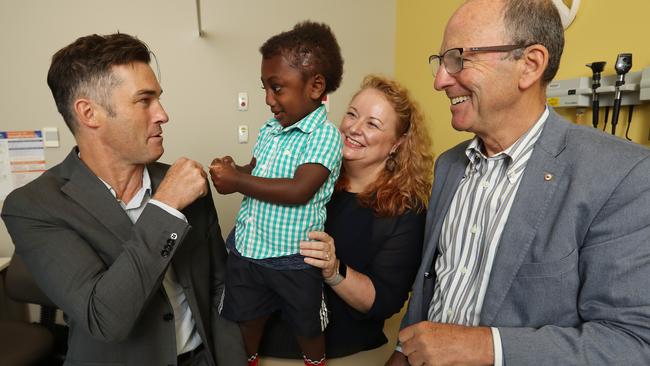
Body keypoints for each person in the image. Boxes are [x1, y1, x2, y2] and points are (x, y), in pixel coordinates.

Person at [387, 0, 650, 365]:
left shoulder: (621, 176)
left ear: (529, 65)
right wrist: (402, 351)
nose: (440, 80)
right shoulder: (449, 166)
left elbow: (631, 344)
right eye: (441, 62)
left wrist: (485, 348)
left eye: (458, 59)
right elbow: (433, 284)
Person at [1, 33, 246, 366]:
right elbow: (106, 318)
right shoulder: (33, 207)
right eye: (144, 100)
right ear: (89, 113)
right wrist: (165, 207)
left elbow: (219, 288)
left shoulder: (188, 184)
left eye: (158, 98)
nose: (163, 114)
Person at [258, 74, 434, 359]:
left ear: (397, 144)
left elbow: (383, 302)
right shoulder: (310, 177)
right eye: (352, 114)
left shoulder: (405, 210)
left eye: (372, 124)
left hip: (340, 352)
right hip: (270, 341)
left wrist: (333, 269)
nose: (353, 128)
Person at [209, 21, 343, 366]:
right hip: (250, 248)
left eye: (277, 88)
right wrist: (235, 170)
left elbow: (299, 189)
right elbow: (257, 171)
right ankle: (249, 358)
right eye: (265, 88)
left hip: (293, 258)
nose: (268, 100)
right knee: (247, 316)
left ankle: (315, 362)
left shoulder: (324, 137)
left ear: (315, 86)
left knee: (307, 325)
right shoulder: (271, 129)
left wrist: (237, 182)